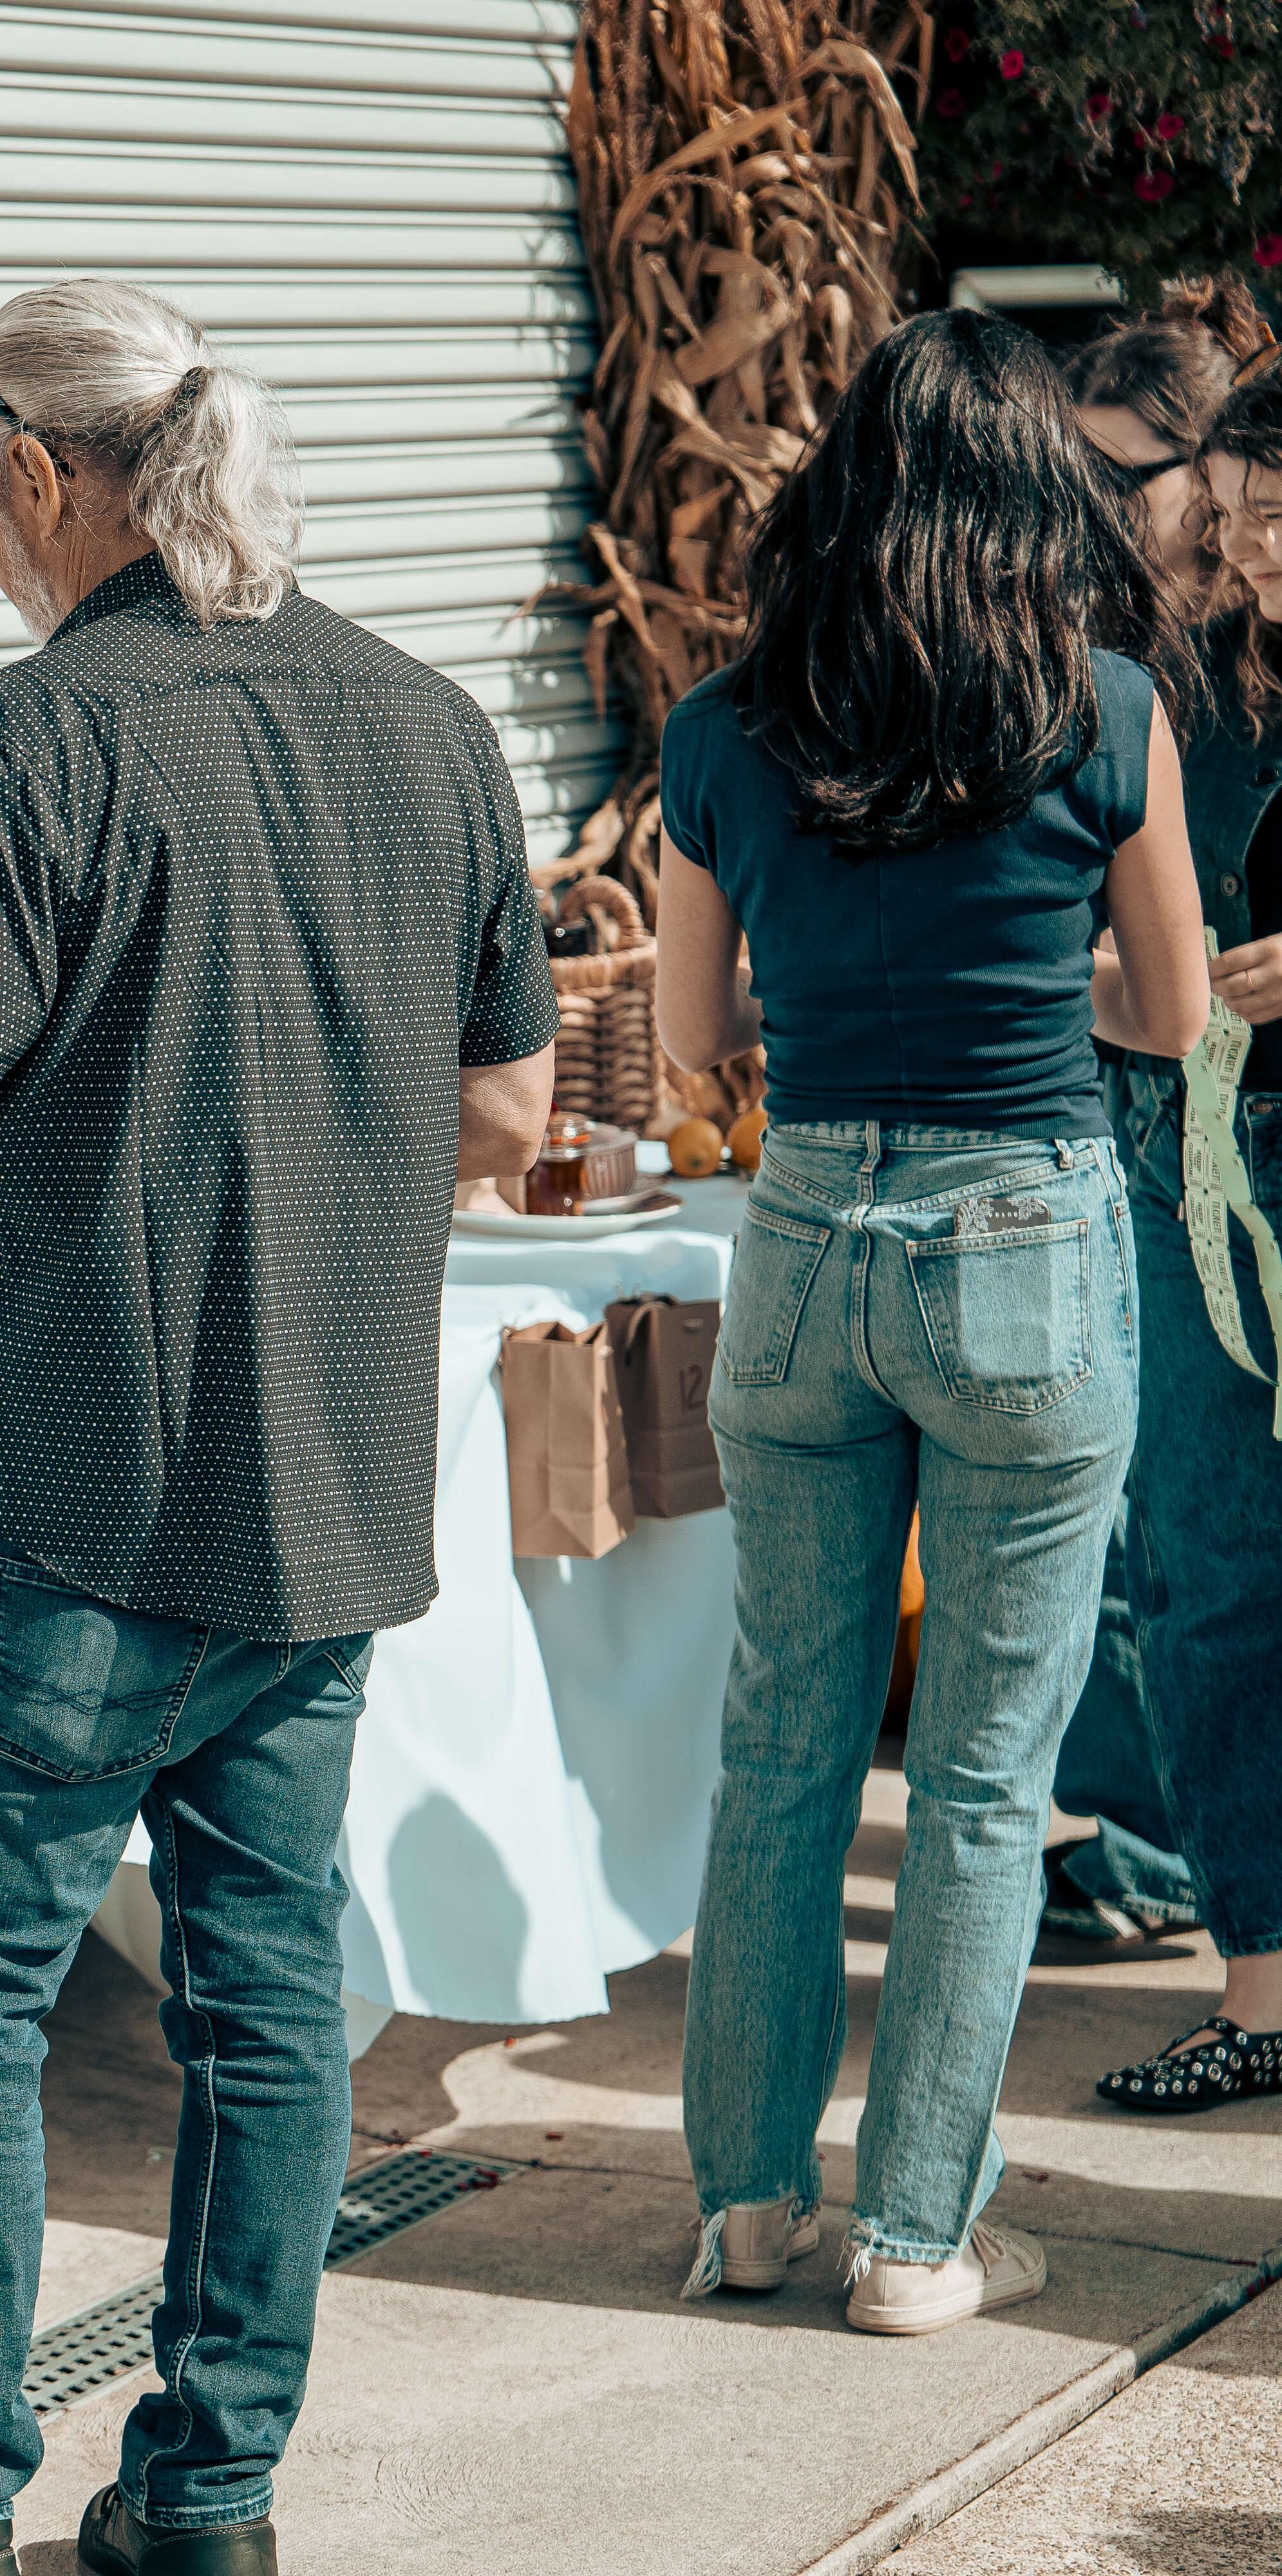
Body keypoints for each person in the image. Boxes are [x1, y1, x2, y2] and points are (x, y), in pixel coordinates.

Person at [0, 278, 560, 2576]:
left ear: (40, 473)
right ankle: (204, 2505)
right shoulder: (423, 725)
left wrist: (106, 1146)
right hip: (317, 1493)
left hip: (69, 1495)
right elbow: (507, 1105)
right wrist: (286, 1131)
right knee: (267, 2003)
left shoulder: (26, 741)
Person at [658, 309, 1211, 2335]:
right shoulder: (1107, 715)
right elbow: (1167, 1013)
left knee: (781, 1752)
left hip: (807, 1235)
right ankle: (917, 2238)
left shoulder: (721, 730)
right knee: (984, 1776)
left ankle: (745, 2210)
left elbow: (696, 1037)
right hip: (1027, 1241)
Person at [1047, 282, 1269, 1949]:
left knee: (1202, 1552)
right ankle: (1159, 1846)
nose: (1108, 514)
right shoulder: (1117, 647)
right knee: (1166, 1541)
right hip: (1149, 1128)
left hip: (1227, 1129)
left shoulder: (1248, 646)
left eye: (1133, 474)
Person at [1087, 366, 1282, 2112]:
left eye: (1274, 514)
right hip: (1190, 1159)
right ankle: (1263, 1983)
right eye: (1230, 517)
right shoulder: (1178, 693)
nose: (1244, 549)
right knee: (1212, 1573)